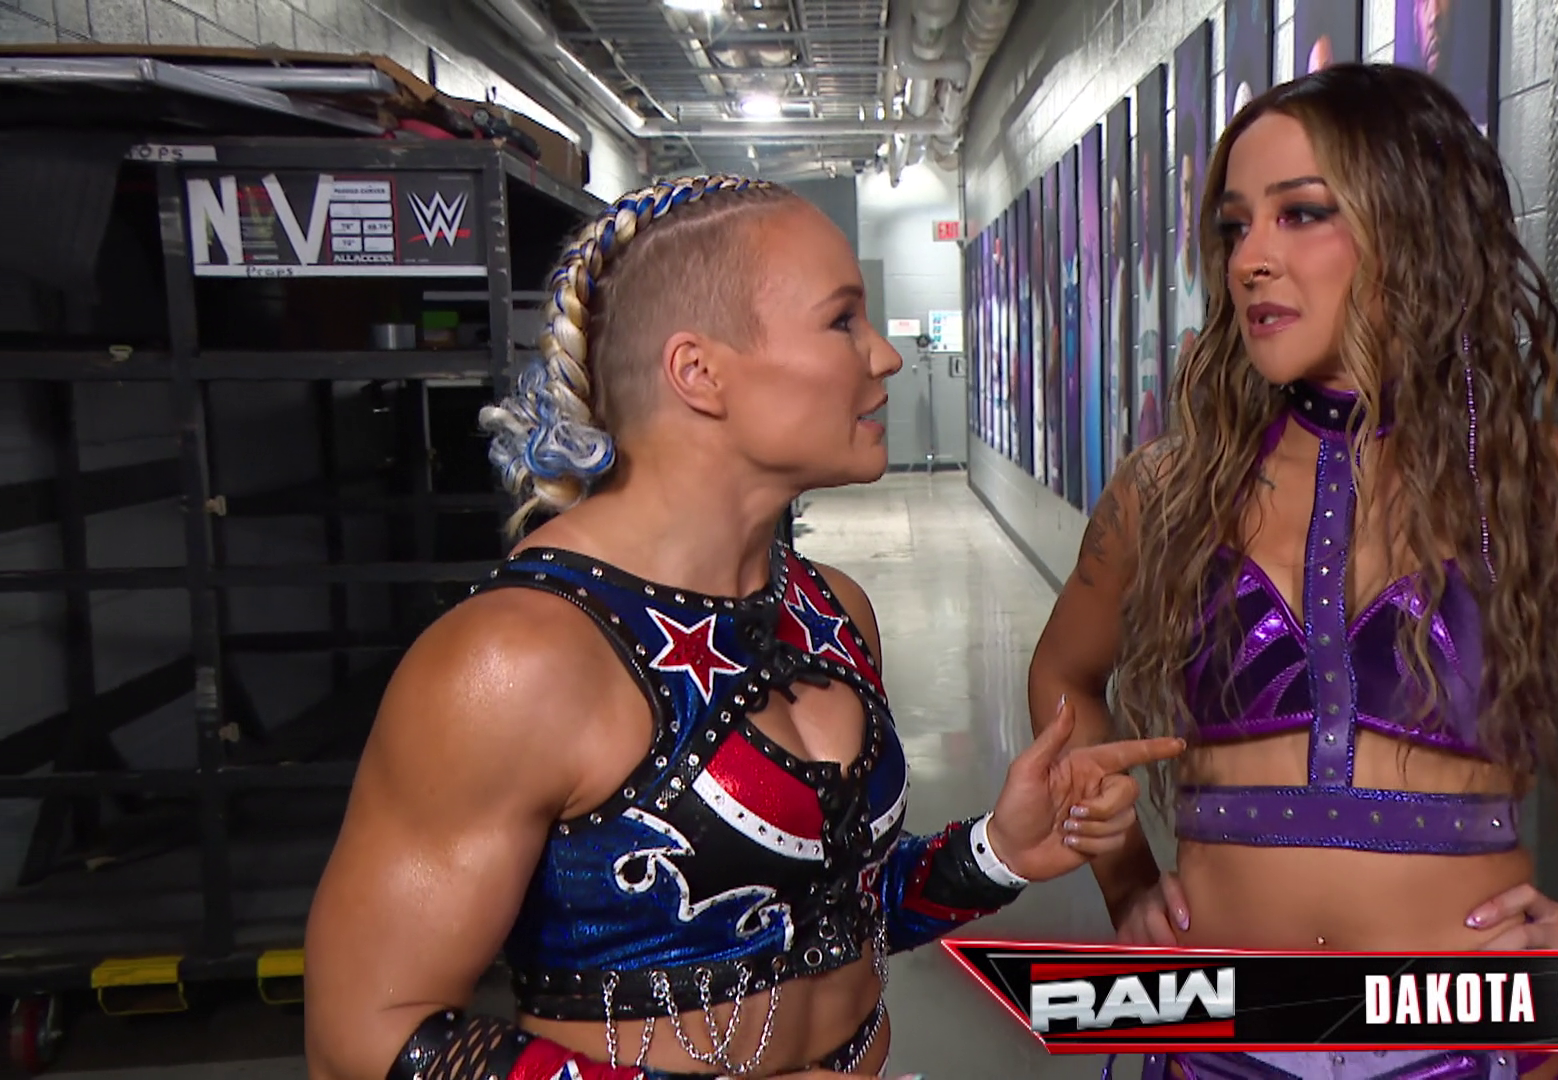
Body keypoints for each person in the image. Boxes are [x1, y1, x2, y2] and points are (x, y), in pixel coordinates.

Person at [1025, 63, 1558, 1080]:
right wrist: (1126, 886)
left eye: (1301, 213)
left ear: (1416, 226)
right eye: (1235, 226)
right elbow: (1063, 675)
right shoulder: (1167, 489)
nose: (1251, 259)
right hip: (1215, 1044)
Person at [303, 175, 1184, 1080]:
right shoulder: (513, 659)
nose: (885, 355)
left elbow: (815, 917)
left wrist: (996, 852)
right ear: (699, 372)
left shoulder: (832, 608)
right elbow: (363, 1037)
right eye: (842, 320)